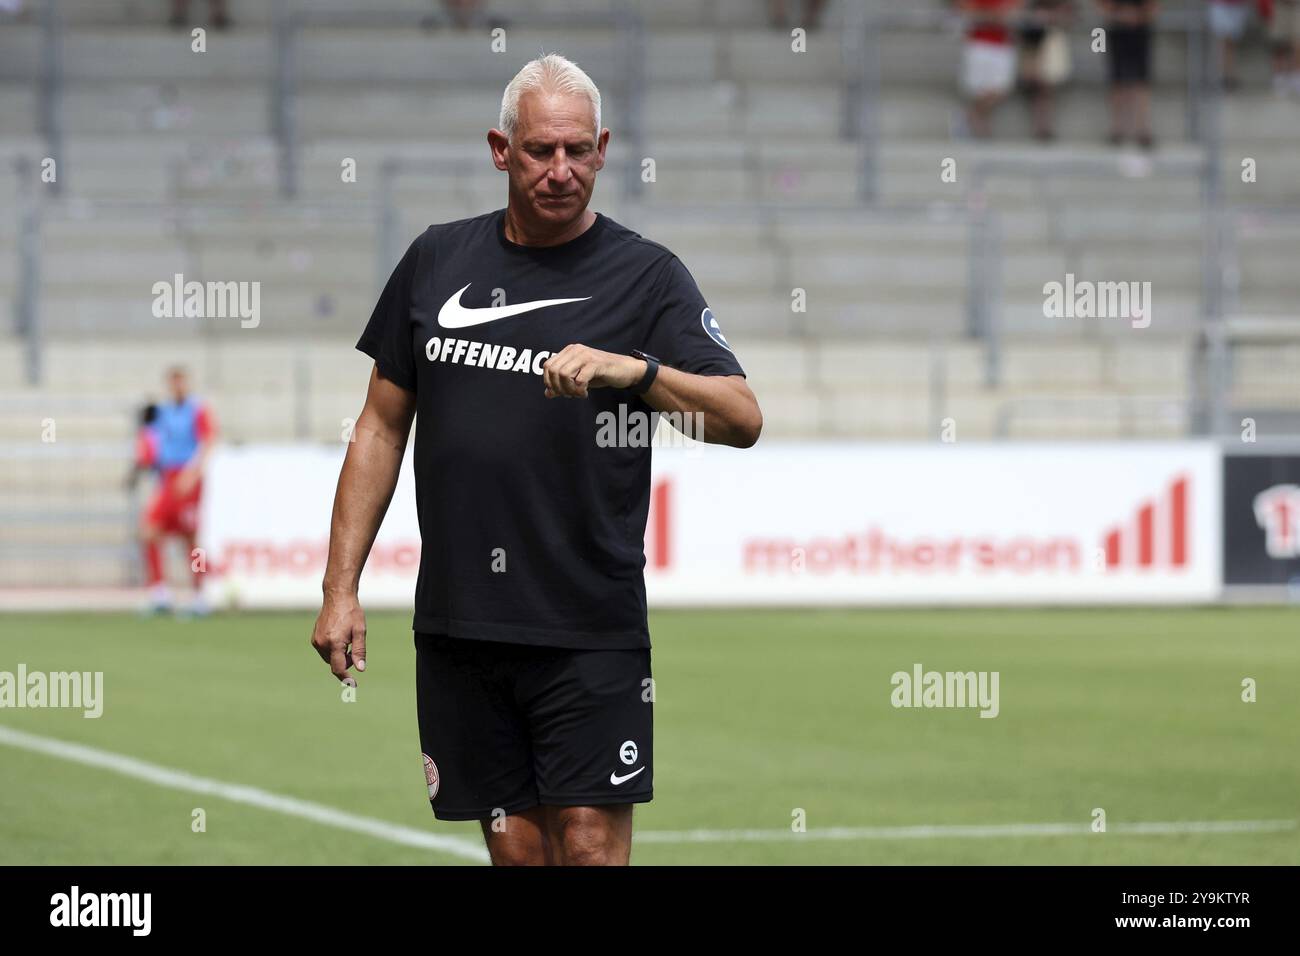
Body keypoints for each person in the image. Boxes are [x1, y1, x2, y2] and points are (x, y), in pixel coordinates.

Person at [309, 53, 762, 866]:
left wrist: (641, 371)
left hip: (588, 624)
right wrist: (339, 588)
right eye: (540, 151)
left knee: (587, 845)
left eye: (578, 151)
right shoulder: (435, 261)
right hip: (461, 624)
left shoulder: (648, 277)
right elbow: (379, 426)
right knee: (517, 853)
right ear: (499, 148)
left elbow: (741, 417)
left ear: (603, 149)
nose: (562, 171)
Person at [140, 367, 216, 616]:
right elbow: (151, 439)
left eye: (181, 382)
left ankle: (199, 594)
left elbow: (208, 441)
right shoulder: (163, 411)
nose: (178, 387)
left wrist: (192, 475)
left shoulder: (197, 409)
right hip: (168, 479)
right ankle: (160, 591)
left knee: (190, 538)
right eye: (174, 382)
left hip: (187, 479)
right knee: (150, 531)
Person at [959, 0, 1025, 138]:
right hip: (979, 43)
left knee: (1001, 88)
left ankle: (971, 117)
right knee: (978, 89)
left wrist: (990, 17)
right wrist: (993, 17)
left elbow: (1014, 12)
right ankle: (979, 126)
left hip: (1002, 45)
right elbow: (968, 11)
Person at [1100, 0, 1159, 149]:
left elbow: (1154, 7)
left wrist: (1138, 16)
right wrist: (1119, 16)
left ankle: (1142, 128)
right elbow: (1102, 6)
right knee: (1117, 81)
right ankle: (1117, 128)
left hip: (1141, 29)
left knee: (1141, 81)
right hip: (1117, 30)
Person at [1019, 0, 1076, 140]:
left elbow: (1070, 18)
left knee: (1048, 86)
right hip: (1031, 43)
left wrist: (1053, 17)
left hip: (1052, 41)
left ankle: (1045, 126)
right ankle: (1039, 125)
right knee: (1035, 85)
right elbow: (1019, 16)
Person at [1208, 0, 1253, 89]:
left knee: (1231, 43)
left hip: (1237, 6)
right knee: (1223, 42)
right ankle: (1224, 75)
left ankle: (1228, 75)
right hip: (1221, 5)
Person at [1269, 0, 1300, 94]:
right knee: (1280, 44)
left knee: (1296, 42)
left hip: (1296, 7)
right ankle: (1279, 77)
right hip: (1279, 7)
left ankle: (1295, 75)